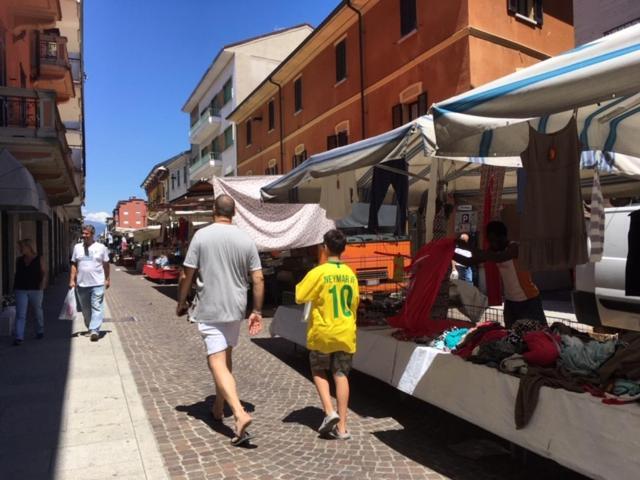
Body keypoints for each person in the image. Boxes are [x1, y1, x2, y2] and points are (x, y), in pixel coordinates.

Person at [176, 195, 264, 447]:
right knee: (225, 357)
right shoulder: (246, 239)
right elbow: (258, 279)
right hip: (235, 308)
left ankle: (238, 413)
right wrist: (256, 309)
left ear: (213, 210)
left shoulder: (202, 236)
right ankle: (217, 407)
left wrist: (181, 302)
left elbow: (187, 273)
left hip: (210, 307)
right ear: (234, 213)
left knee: (215, 360)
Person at [296, 229, 360, 440]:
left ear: (324, 247)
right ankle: (342, 427)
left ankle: (329, 411)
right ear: (344, 249)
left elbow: (299, 295)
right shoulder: (351, 274)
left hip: (323, 331)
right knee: (341, 374)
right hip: (344, 330)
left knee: (318, 370)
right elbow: (355, 303)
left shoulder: (319, 272)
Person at [454, 221, 546, 329]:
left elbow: (498, 258)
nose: (492, 243)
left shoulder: (514, 248)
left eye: (494, 240)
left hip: (529, 301)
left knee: (537, 333)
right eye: (490, 240)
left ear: (503, 237)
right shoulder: (493, 251)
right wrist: (450, 253)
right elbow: (468, 261)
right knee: (511, 333)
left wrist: (467, 247)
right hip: (511, 302)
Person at [70, 225, 111, 342]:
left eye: (86, 233)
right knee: (86, 309)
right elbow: (74, 264)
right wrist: (72, 280)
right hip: (82, 284)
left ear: (92, 234)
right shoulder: (77, 247)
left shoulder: (101, 247)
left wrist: (107, 279)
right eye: (83, 233)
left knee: (97, 306)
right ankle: (90, 327)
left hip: (97, 283)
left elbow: (106, 264)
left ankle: (95, 330)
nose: (84, 235)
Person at [12, 239, 47, 345]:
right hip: (20, 289)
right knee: (20, 314)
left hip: (35, 289)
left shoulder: (39, 259)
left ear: (29, 247)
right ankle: (19, 337)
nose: (20, 249)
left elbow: (44, 272)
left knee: (37, 310)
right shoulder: (19, 260)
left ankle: (40, 330)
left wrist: (43, 284)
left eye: (22, 247)